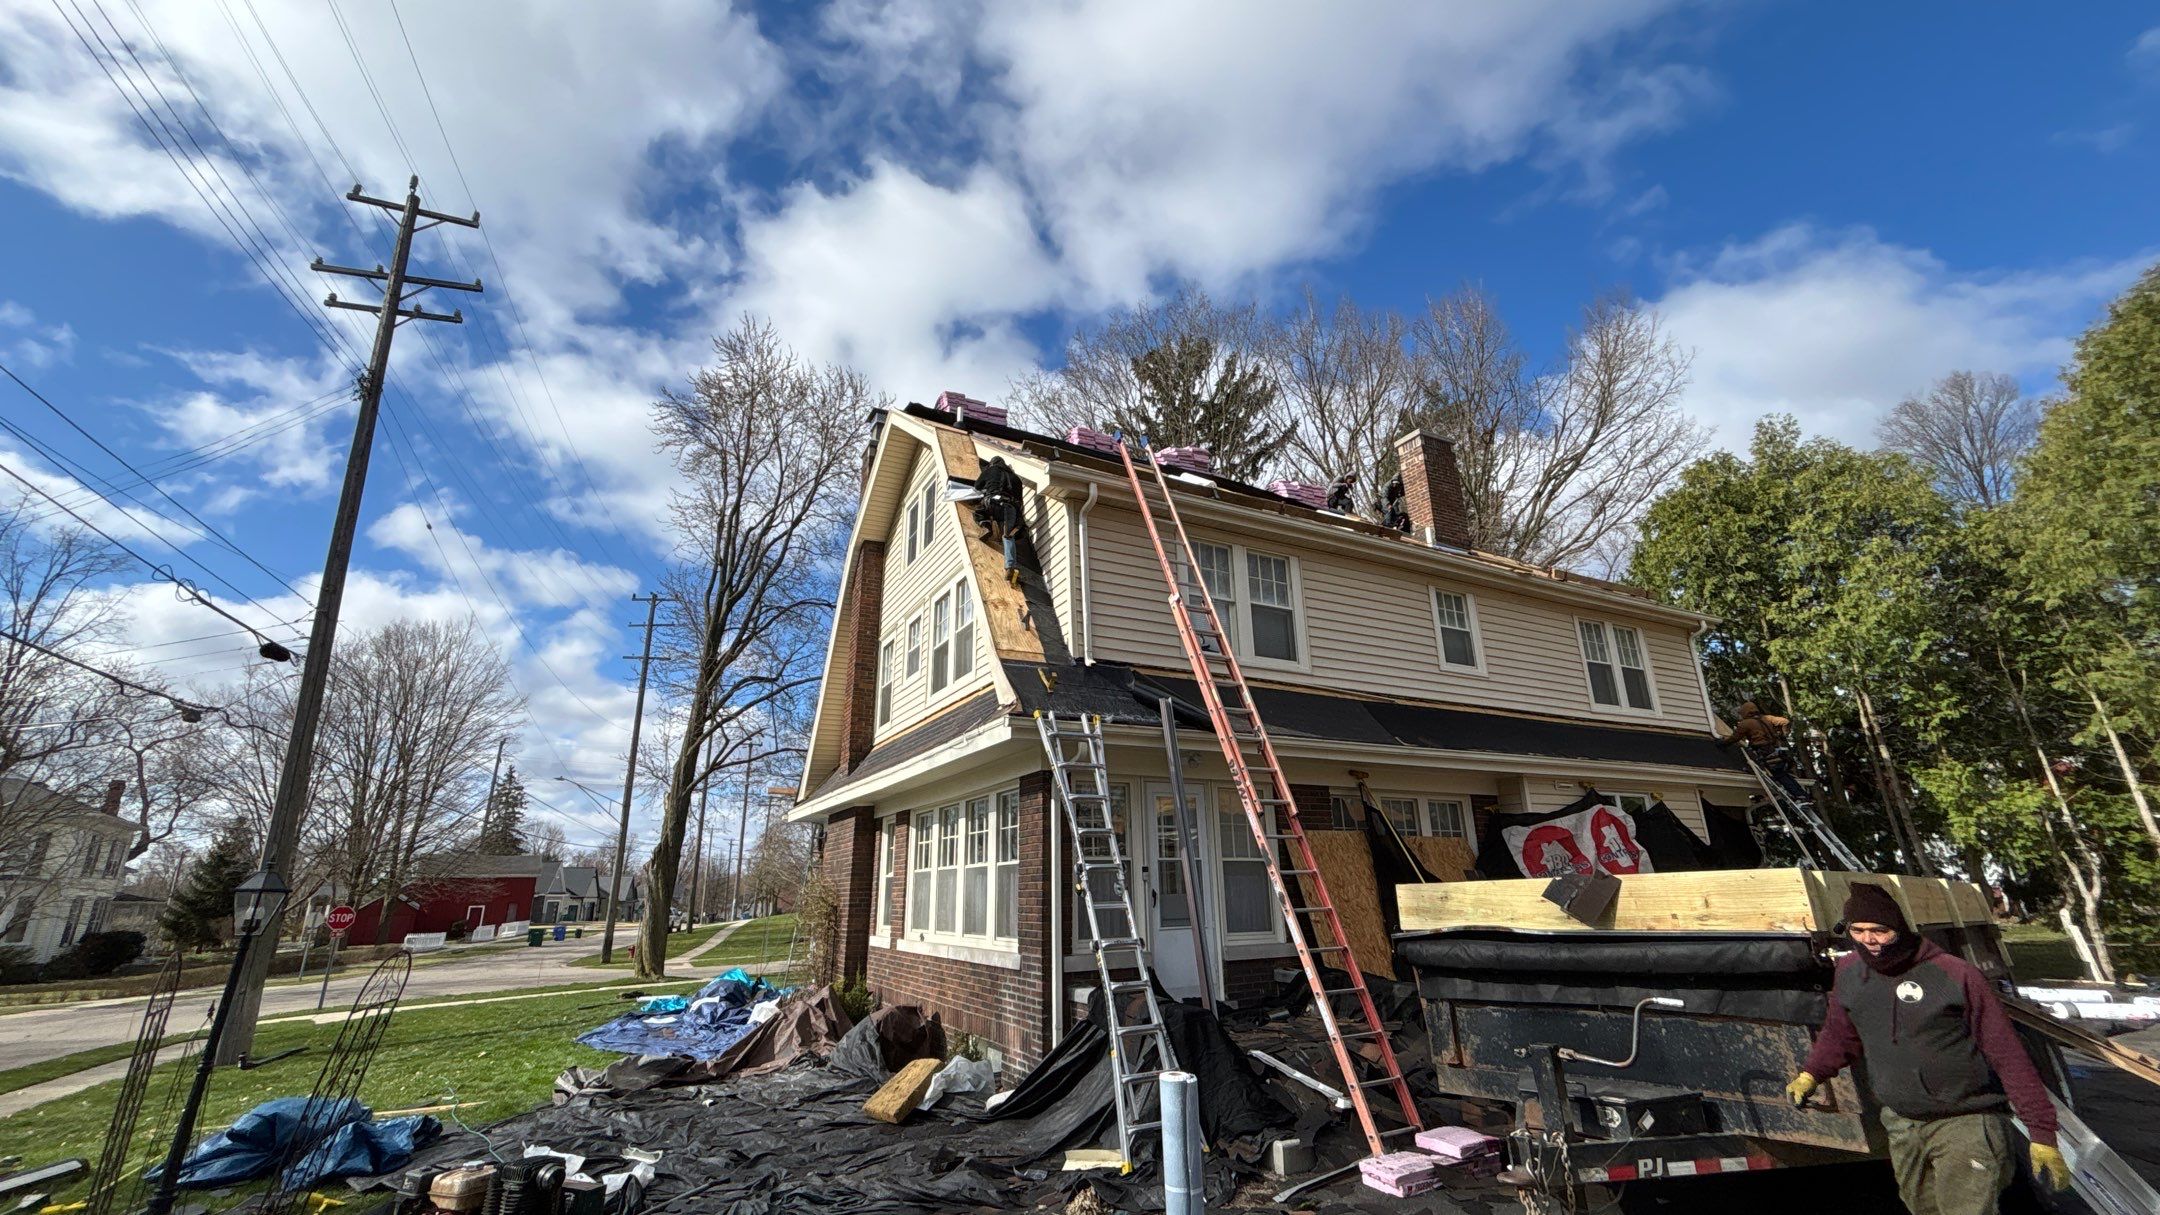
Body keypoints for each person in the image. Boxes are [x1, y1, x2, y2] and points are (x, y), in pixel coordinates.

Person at [1787, 884, 2070, 1213]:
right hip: (1902, 1122)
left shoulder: (1955, 974)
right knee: (1921, 1208)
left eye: (1880, 930)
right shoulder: (1850, 971)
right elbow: (1840, 1032)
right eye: (1858, 930)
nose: (1869, 939)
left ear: (1899, 928)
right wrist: (1812, 1073)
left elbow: (2007, 1055)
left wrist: (2041, 1131)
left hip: (1965, 1123)